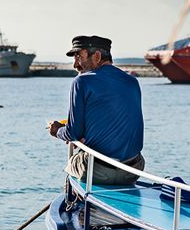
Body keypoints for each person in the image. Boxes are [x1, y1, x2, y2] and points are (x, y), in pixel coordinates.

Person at [47, 35, 145, 185]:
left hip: (97, 171)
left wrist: (57, 130)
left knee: (72, 163)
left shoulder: (82, 81)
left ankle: (74, 202)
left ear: (97, 56)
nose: (75, 65)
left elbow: (72, 133)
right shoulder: (132, 81)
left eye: (78, 56)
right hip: (133, 170)